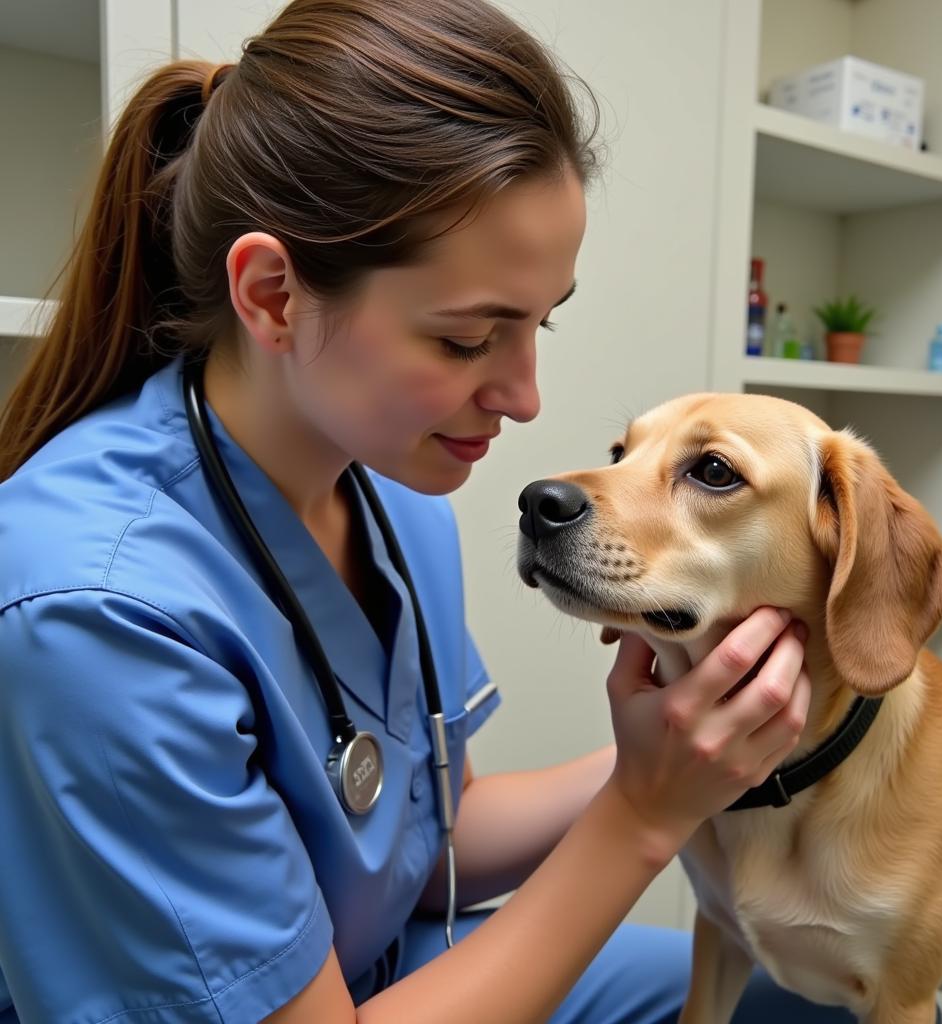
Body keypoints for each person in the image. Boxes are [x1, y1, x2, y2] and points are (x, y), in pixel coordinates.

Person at [0, 2, 856, 1022]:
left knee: (794, 1000)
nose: (524, 396)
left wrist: (682, 748)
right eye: (466, 340)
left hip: (387, 959)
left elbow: (422, 834)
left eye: (539, 323)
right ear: (273, 296)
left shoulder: (393, 501)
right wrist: (641, 812)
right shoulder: (96, 612)